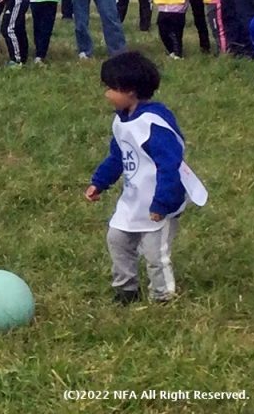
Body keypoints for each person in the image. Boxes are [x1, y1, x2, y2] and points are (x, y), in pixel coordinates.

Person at [84, 51, 207, 303]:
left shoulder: (153, 124)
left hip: (158, 203)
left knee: (154, 253)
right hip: (133, 199)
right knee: (117, 239)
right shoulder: (121, 122)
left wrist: (162, 203)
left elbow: (169, 166)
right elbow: (117, 157)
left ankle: (162, 296)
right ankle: (126, 289)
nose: (106, 94)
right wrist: (99, 182)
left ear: (130, 91)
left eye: (110, 88)